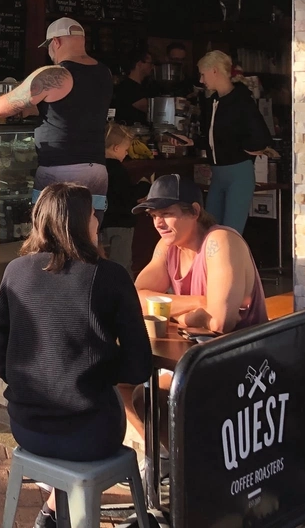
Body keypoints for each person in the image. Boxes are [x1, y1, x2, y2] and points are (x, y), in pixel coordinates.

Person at [0, 183, 151, 528]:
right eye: (94, 216)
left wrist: (60, 372)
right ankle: (60, 514)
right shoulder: (110, 276)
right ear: (82, 222)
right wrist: (96, 367)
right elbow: (140, 366)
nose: (98, 223)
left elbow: (0, 359)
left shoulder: (15, 272)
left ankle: (52, 512)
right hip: (91, 433)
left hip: (26, 426)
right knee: (99, 406)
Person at [120, 174, 269, 449]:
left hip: (243, 361)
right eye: (153, 215)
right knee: (118, 379)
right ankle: (164, 456)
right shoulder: (167, 246)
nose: (158, 223)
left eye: (167, 213)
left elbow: (221, 321)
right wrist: (200, 302)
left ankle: (189, 471)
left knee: (148, 397)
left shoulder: (220, 241)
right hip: (195, 355)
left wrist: (173, 308)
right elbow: (133, 297)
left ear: (195, 212)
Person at [0, 17, 113, 224]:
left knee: (52, 236)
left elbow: (0, 110)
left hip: (61, 170)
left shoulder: (55, 74)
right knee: (89, 234)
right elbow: (74, 106)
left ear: (55, 42)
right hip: (97, 170)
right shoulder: (104, 72)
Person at [196, 50, 274, 233]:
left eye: (202, 74)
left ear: (214, 71)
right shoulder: (212, 101)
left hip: (238, 172)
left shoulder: (241, 99)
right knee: (210, 231)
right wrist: (193, 143)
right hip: (217, 174)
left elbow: (261, 137)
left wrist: (248, 150)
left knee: (230, 232)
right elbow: (212, 136)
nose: (201, 80)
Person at [100, 123, 148, 273]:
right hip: (122, 223)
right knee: (122, 264)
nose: (127, 154)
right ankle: (124, 293)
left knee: (103, 262)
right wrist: (144, 186)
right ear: (116, 148)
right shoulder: (117, 169)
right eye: (125, 150)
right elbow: (127, 194)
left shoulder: (97, 167)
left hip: (102, 222)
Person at [112, 47, 153, 125]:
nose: (152, 67)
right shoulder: (128, 87)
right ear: (139, 64)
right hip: (130, 134)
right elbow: (151, 109)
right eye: (150, 63)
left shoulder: (141, 86)